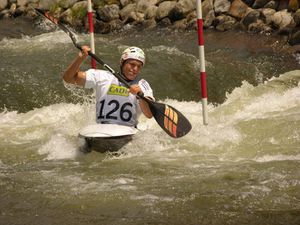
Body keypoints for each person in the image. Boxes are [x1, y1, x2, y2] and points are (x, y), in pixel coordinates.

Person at [63, 45, 154, 128]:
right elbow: (68, 78)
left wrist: (140, 96)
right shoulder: (102, 76)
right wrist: (80, 58)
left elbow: (149, 114)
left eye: (139, 66)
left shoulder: (142, 84)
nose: (135, 69)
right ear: (122, 62)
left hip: (128, 131)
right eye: (132, 64)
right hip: (102, 130)